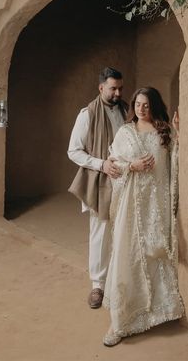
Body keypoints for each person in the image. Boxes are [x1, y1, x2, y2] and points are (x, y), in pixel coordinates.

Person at [102, 87, 185, 346]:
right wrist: (132, 166)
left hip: (156, 208)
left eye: (147, 105)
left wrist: (179, 133)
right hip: (132, 207)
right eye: (138, 104)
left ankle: (159, 311)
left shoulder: (164, 133)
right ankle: (121, 321)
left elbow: (175, 162)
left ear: (154, 106)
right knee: (129, 256)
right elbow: (114, 165)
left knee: (155, 255)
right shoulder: (126, 133)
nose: (141, 109)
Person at [67, 67, 127, 309]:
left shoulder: (125, 110)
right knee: (100, 233)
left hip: (125, 178)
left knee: (123, 229)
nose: (118, 93)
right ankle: (98, 286)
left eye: (120, 88)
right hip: (101, 179)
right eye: (113, 88)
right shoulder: (87, 114)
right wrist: (101, 164)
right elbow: (73, 151)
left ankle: (120, 280)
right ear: (101, 87)